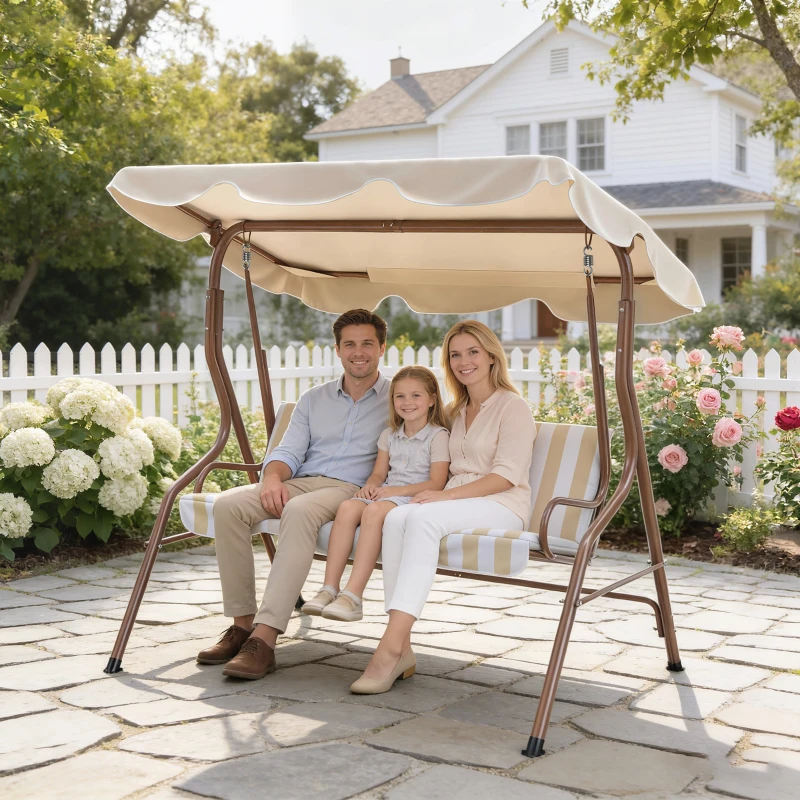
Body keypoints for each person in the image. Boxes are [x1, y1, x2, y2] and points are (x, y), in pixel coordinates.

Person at [196, 309, 391, 680]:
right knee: (228, 506)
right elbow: (288, 451)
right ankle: (242, 627)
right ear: (337, 350)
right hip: (299, 480)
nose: (358, 351)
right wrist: (271, 478)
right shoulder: (314, 399)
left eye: (367, 343)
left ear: (381, 348)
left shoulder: (398, 397)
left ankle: (265, 640)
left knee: (298, 511)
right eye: (349, 344)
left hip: (349, 489)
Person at [349, 320, 536, 694]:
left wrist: (444, 496)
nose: (463, 361)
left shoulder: (513, 407)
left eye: (473, 352)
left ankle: (389, 649)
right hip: (455, 501)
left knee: (421, 520)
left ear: (491, 356)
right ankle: (403, 647)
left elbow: (505, 476)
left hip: (500, 502)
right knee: (398, 516)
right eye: (455, 354)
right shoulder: (455, 411)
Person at [302, 365, 451, 622]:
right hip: (387, 493)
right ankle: (329, 588)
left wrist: (394, 492)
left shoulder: (438, 436)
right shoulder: (389, 435)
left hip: (413, 498)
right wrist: (371, 485)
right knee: (348, 507)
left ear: (432, 400)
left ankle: (353, 596)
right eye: (400, 396)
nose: (407, 402)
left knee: (373, 510)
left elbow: (437, 483)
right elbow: (379, 474)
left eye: (416, 395)